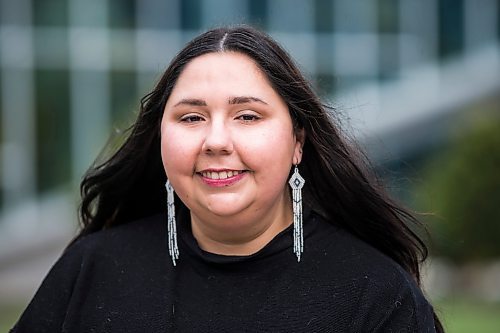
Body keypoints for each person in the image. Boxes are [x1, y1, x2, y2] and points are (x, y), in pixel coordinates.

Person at [11, 25, 444, 332]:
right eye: (192, 116)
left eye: (247, 116)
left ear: (298, 141)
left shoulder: (374, 294)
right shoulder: (93, 270)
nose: (216, 140)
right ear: (160, 138)